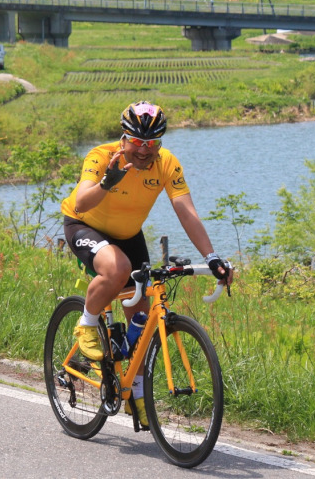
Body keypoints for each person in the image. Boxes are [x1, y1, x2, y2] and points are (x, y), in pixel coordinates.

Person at [60, 101, 233, 427]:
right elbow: (82, 201)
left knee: (140, 324)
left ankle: (136, 394)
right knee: (117, 268)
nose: (144, 151)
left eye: (152, 144)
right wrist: (108, 182)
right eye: (138, 142)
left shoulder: (166, 164)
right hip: (84, 225)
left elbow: (186, 211)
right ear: (124, 138)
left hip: (128, 236)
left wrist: (211, 257)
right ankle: (86, 325)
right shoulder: (101, 156)